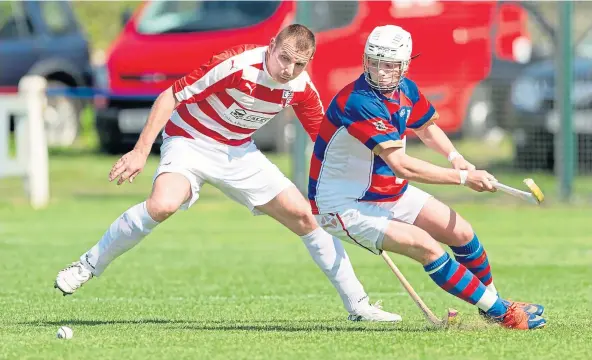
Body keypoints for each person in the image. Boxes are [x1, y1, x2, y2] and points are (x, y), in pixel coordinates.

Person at [54, 24, 401, 322]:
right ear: (271, 47)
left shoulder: (300, 87)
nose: (288, 69)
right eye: (284, 58)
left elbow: (326, 141)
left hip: (238, 152)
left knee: (305, 217)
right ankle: (87, 264)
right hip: (190, 139)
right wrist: (141, 150)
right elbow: (169, 97)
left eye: (298, 64)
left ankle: (359, 305)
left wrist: (345, 182)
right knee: (162, 205)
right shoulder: (237, 65)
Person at [308, 25, 547, 330]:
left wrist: (457, 159)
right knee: (426, 246)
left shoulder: (406, 89)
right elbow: (402, 166)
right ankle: (505, 313)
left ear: (405, 65)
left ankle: (493, 304)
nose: (381, 71)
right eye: (374, 62)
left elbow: (426, 127)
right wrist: (462, 178)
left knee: (461, 231)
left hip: (387, 192)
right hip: (342, 205)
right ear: (365, 60)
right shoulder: (359, 102)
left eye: (390, 65)